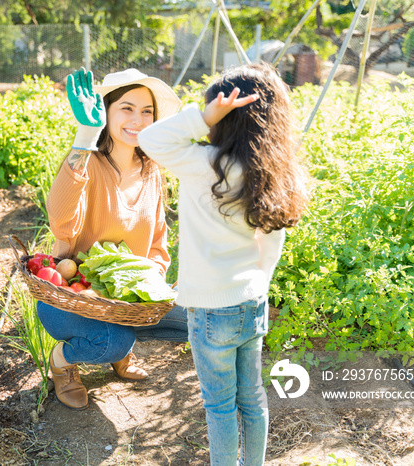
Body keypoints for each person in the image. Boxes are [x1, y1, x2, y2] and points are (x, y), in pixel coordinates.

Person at [138, 62, 309, 465]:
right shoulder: (266, 172)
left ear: (224, 119)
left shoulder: (205, 165)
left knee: (219, 405)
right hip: (251, 301)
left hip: (211, 310)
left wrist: (201, 117)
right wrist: (257, 285)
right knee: (252, 396)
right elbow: (274, 239)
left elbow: (150, 139)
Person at [38, 67, 188, 410]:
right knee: (111, 340)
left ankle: (124, 341)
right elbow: (60, 219)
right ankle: (62, 362)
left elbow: (158, 245)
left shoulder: (152, 171)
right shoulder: (88, 164)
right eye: (127, 108)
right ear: (105, 112)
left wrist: (149, 288)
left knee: (201, 317)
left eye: (146, 111)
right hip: (72, 298)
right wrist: (84, 137)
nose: (138, 118)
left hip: (123, 301)